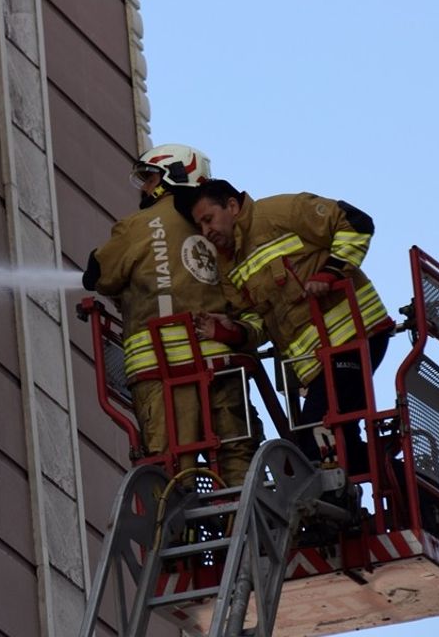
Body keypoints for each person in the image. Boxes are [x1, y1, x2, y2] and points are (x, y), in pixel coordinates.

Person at [181, 179, 394, 475]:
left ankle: (349, 491)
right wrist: (231, 331)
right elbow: (258, 322)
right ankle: (399, 476)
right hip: (317, 364)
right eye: (200, 226)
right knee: (340, 445)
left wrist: (330, 272)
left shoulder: (279, 212)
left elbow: (355, 222)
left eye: (209, 219)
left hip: (356, 338)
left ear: (232, 206)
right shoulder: (229, 265)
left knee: (314, 443)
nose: (206, 231)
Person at [82, 145, 263, 487]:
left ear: (175, 174)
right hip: (222, 364)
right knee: (236, 452)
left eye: (150, 179)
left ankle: (177, 515)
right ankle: (238, 511)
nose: (144, 188)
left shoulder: (135, 227)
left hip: (159, 371)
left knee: (170, 466)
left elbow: (98, 275)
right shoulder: (218, 224)